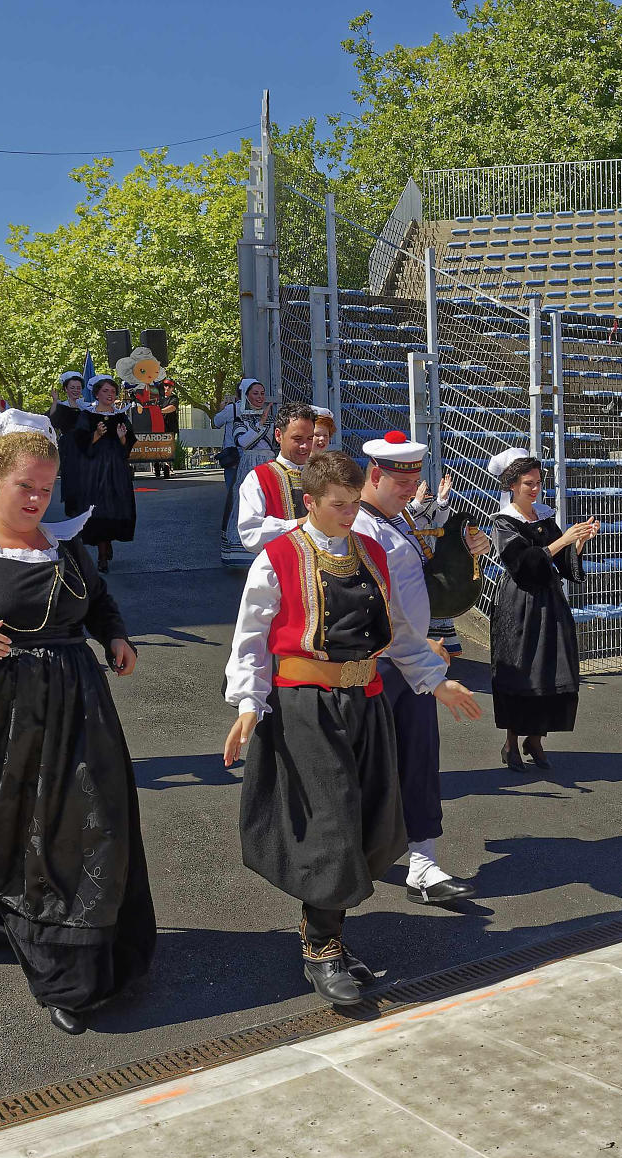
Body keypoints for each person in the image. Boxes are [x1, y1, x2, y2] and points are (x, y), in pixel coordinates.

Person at [0, 427, 155, 1035]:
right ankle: (18, 933)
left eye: (46, 488)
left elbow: (98, 602)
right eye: (26, 487)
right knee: (10, 833)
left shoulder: (64, 548)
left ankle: (72, 972)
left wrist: (114, 635)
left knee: (87, 830)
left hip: (78, 711)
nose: (38, 499)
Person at [223, 450, 482, 1006]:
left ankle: (330, 935)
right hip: (305, 707)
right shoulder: (278, 556)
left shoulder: (371, 553)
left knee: (366, 819)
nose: (348, 513)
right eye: (336, 505)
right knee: (331, 822)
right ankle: (321, 948)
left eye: (352, 501)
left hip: (365, 703)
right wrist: (248, 705)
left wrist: (437, 681)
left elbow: (402, 633)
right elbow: (250, 639)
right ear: (309, 502)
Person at [354, 433, 491, 905]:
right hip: (372, 665)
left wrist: (471, 547)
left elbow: (427, 580)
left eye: (414, 481)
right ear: (374, 475)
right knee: (364, 765)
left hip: (410, 657)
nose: (410, 492)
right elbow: (375, 606)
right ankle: (354, 855)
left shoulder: (399, 518)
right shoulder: (357, 527)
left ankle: (423, 863)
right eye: (400, 483)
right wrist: (422, 649)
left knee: (418, 759)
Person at [487, 448, 598, 771]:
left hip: (550, 605)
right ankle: (511, 743)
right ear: (511, 485)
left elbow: (561, 565)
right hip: (520, 607)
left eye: (537, 482)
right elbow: (522, 565)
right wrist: (562, 541)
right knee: (521, 672)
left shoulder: (544, 517)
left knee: (551, 671)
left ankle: (535, 738)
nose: (535, 489)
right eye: (527, 483)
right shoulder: (505, 522)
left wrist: (578, 543)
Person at [57, 374, 138, 573]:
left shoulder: (120, 416)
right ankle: (102, 554)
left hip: (116, 471)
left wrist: (121, 438)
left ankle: (107, 541)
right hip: (94, 470)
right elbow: (80, 443)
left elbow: (128, 444)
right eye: (105, 391)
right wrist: (96, 435)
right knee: (99, 510)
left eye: (112, 391)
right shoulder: (87, 416)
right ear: (97, 394)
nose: (110, 395)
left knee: (115, 509)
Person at [235, 401, 317, 552]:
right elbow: (250, 534)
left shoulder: (322, 474)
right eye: (297, 439)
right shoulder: (258, 478)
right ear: (278, 435)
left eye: (310, 438)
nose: (305, 446)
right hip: (278, 571)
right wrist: (300, 523)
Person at [408, 473, 465, 656]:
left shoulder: (425, 502)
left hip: (428, 558)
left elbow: (440, 521)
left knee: (436, 599)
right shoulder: (395, 504)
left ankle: (440, 647)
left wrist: (442, 498)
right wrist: (415, 502)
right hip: (407, 561)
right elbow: (401, 521)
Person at [214, 379, 270, 548]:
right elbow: (243, 442)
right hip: (242, 462)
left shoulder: (271, 416)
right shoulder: (238, 415)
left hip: (267, 463)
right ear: (245, 395)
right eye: (255, 393)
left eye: (262, 393)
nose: (259, 397)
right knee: (240, 500)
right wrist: (260, 425)